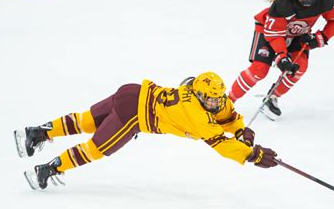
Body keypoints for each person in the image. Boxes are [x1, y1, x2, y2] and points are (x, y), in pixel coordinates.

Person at [14, 72, 279, 190]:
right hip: (134, 115)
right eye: (209, 99)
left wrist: (241, 130)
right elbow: (220, 143)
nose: (214, 103)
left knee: (86, 121)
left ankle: (37, 133)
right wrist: (250, 155)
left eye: (216, 99)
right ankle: (47, 169)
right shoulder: (196, 114)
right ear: (198, 95)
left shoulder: (210, 96)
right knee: (95, 149)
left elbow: (227, 115)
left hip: (132, 91)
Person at [228, 0, 334, 119]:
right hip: (268, 32)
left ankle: (272, 98)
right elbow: (274, 34)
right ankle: (227, 102)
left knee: (299, 68)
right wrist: (282, 56)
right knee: (259, 69)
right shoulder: (283, 4)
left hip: (298, 35)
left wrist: (321, 37)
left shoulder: (325, 1)